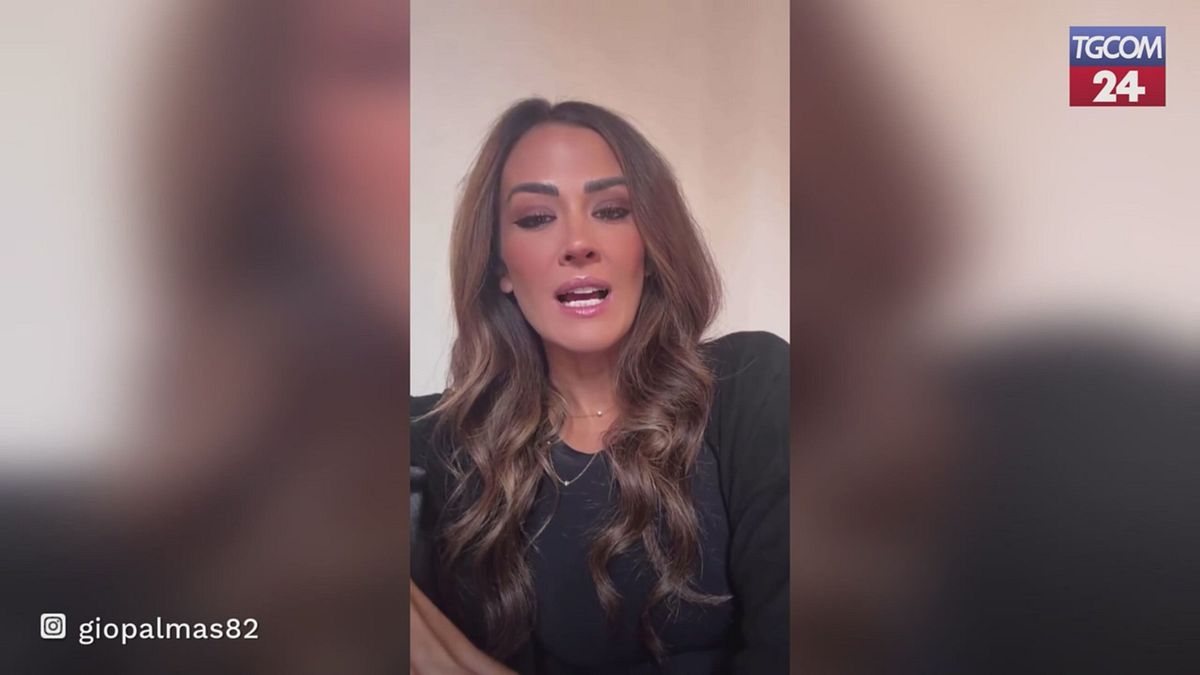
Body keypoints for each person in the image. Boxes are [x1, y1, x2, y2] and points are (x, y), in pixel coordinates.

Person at [410, 98, 789, 674]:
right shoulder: (445, 442)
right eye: (536, 218)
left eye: (612, 210)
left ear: (651, 247)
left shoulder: (753, 386)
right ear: (500, 267)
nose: (578, 243)